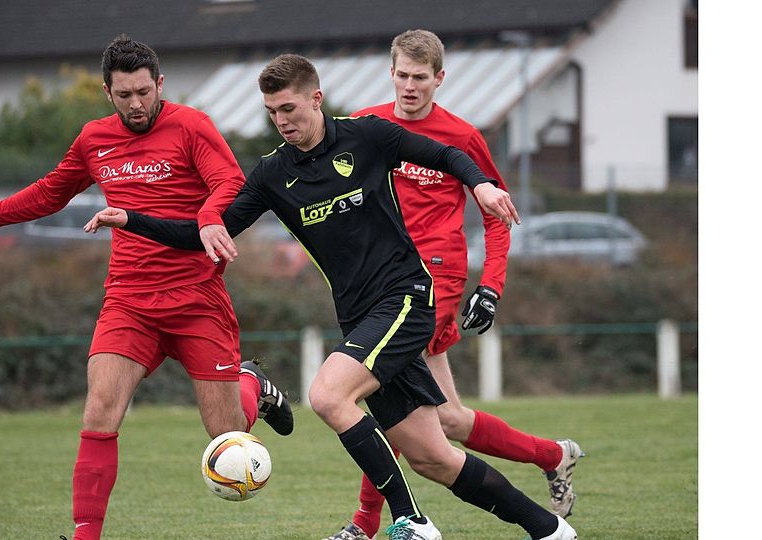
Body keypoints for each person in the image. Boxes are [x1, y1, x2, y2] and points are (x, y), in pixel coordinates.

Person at [85, 54, 576, 540]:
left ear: (316, 99)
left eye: (290, 109)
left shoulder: (366, 135)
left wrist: (482, 186)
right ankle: (549, 529)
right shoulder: (272, 174)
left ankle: (411, 523)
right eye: (272, 112)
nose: (282, 121)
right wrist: (131, 219)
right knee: (434, 457)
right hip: (360, 316)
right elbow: (203, 234)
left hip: (405, 297)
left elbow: (445, 155)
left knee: (327, 395)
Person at [0, 36, 293, 540]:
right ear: (107, 93)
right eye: (124, 95)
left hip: (196, 299)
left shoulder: (191, 125)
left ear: (160, 84)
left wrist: (207, 218)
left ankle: (252, 386)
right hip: (129, 302)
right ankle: (85, 535)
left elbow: (230, 181)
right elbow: (49, 193)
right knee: (99, 410)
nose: (137, 104)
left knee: (227, 437)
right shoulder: (94, 139)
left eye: (144, 91)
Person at [323, 30, 584, 540]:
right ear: (391, 72)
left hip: (434, 281)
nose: (410, 86)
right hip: (383, 279)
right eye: (402, 75)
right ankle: (552, 455)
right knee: (448, 420)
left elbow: (498, 214)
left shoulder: (461, 137)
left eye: (421, 77)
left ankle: (366, 524)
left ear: (439, 79)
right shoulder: (366, 125)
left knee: (383, 382)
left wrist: (491, 285)